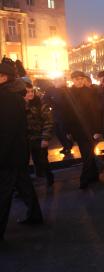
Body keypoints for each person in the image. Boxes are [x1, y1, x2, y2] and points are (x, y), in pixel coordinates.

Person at [0, 63, 43, 240]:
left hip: (8, 152)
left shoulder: (5, 96)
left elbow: (6, 129)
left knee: (3, 193)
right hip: (17, 151)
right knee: (23, 184)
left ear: (4, 77)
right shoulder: (13, 95)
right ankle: (35, 215)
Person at [64, 71, 100, 189]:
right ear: (73, 80)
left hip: (90, 128)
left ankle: (87, 177)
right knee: (87, 153)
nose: (79, 81)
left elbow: (95, 111)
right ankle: (92, 176)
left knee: (88, 153)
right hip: (78, 129)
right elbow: (67, 113)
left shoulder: (90, 92)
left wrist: (96, 129)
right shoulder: (69, 93)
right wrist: (68, 130)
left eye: (81, 78)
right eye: (76, 79)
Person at [24, 82, 54, 186]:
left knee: (42, 160)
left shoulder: (40, 103)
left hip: (38, 137)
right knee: (27, 162)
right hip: (25, 139)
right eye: (27, 92)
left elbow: (48, 121)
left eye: (32, 91)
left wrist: (45, 138)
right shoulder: (19, 104)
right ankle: (35, 178)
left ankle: (49, 178)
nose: (30, 94)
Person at [44, 77, 73, 155]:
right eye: (55, 81)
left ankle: (68, 146)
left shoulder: (66, 89)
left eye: (58, 80)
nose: (56, 82)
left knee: (64, 131)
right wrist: (52, 104)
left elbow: (69, 102)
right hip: (55, 114)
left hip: (65, 115)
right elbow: (45, 99)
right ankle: (65, 146)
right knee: (58, 132)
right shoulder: (50, 89)